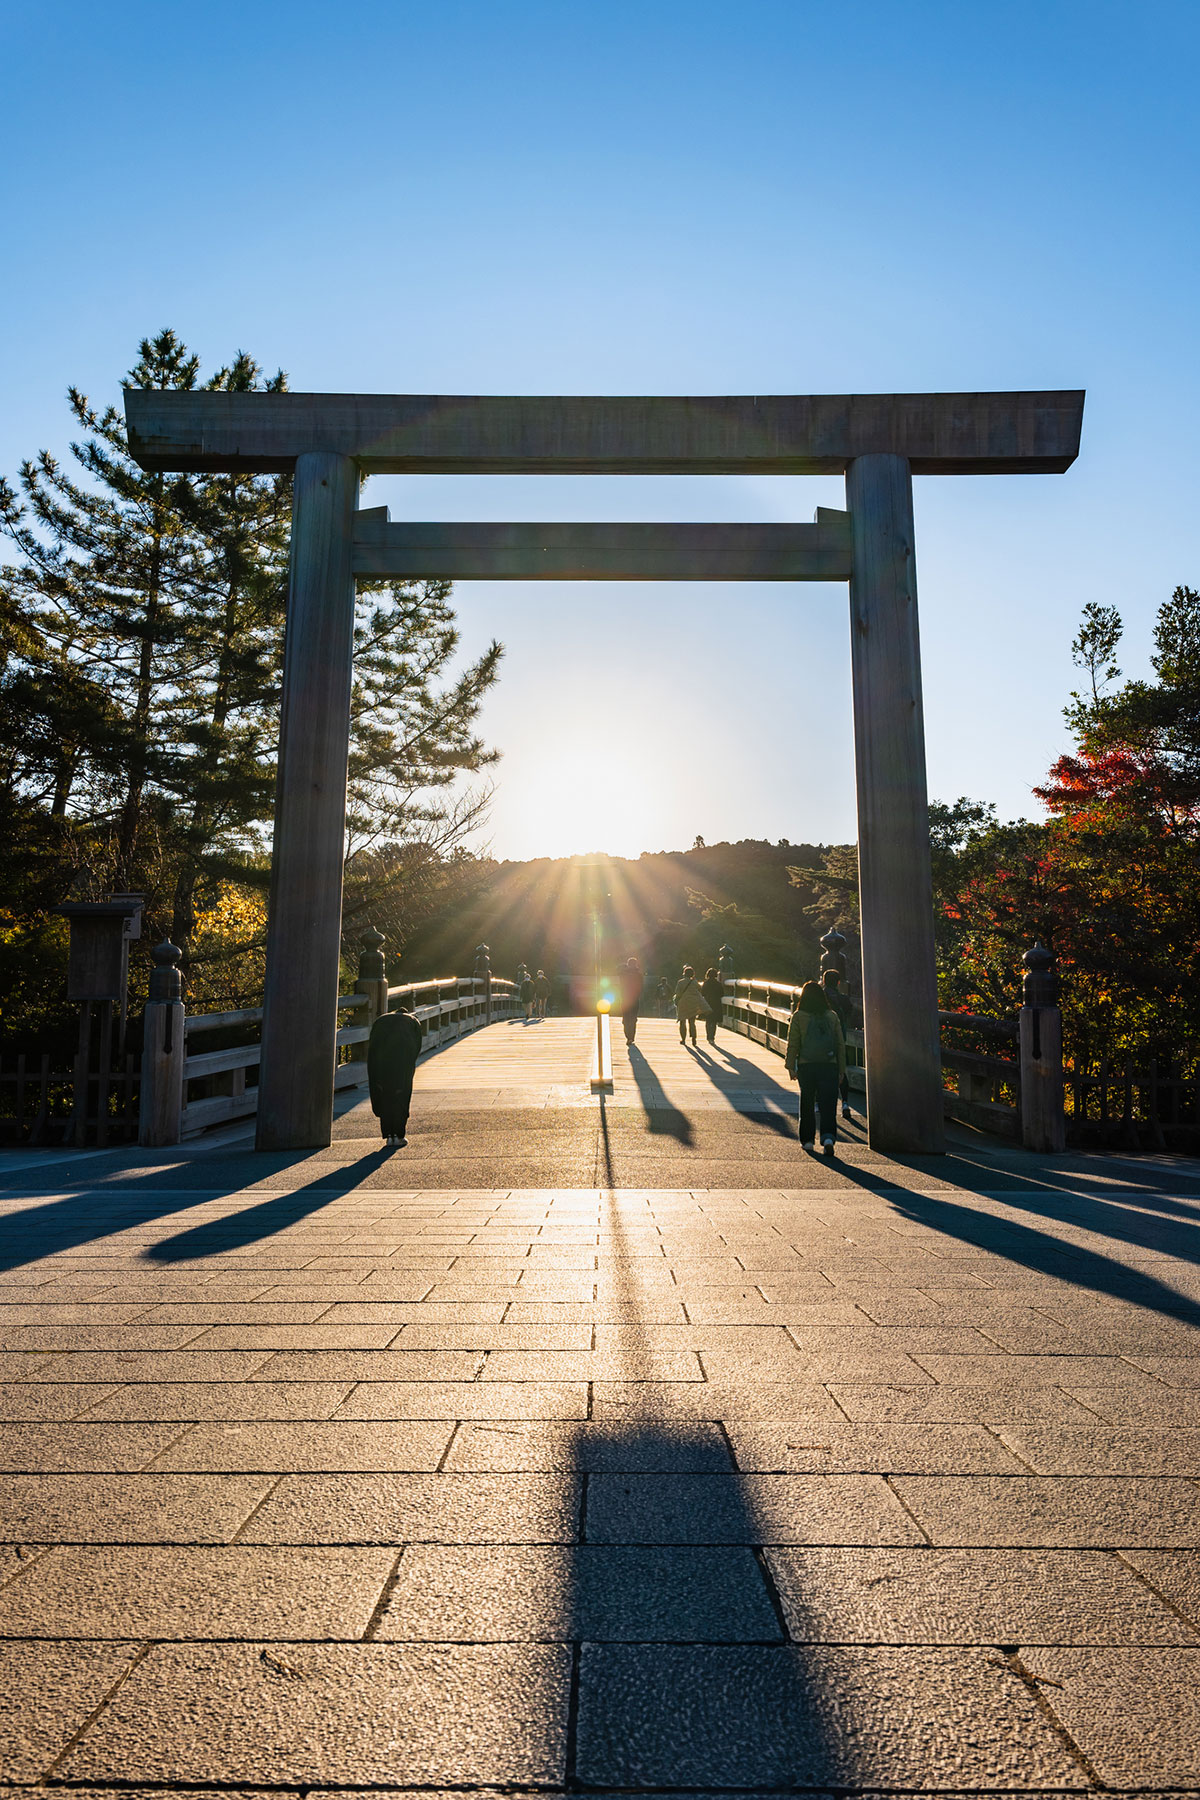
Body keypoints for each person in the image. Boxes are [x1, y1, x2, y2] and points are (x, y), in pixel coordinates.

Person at [785, 979, 846, 1157]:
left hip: (807, 1065)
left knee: (807, 1102)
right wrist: (841, 1069)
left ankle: (808, 1141)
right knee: (828, 1103)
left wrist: (790, 1066)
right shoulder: (831, 1015)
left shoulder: (799, 1016)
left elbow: (793, 1043)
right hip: (829, 1065)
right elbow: (840, 1044)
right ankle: (828, 1137)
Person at [367, 996, 423, 1147]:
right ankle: (398, 1135)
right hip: (402, 1061)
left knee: (384, 1094)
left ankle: (388, 1136)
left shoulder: (381, 1020)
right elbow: (416, 1047)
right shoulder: (412, 1021)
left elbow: (372, 1046)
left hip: (380, 1062)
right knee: (401, 1095)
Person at [821, 968, 855, 1120]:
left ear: (823, 981)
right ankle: (845, 1103)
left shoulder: (820, 996)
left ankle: (819, 1103)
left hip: (822, 1037)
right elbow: (849, 1013)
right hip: (840, 1038)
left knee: (820, 1068)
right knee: (841, 1069)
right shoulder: (844, 999)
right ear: (839, 982)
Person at [673, 964, 710, 1045]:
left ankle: (683, 1039)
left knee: (682, 1022)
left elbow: (678, 993)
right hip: (693, 1003)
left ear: (684, 973)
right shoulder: (695, 982)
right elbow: (699, 989)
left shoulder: (680, 982)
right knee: (692, 1022)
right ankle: (694, 1038)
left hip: (683, 1003)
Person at [619, 956, 644, 1048]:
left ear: (628, 964)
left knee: (626, 1019)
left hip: (625, 999)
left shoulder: (623, 974)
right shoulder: (639, 974)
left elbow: (621, 985)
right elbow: (641, 987)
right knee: (633, 1019)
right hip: (635, 999)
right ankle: (631, 1037)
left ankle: (628, 1036)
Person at [699, 967, 725, 1044]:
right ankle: (712, 1038)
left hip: (707, 1002)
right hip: (716, 1003)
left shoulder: (705, 983)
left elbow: (702, 993)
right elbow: (722, 994)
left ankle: (708, 1036)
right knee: (714, 1021)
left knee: (708, 1020)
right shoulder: (718, 984)